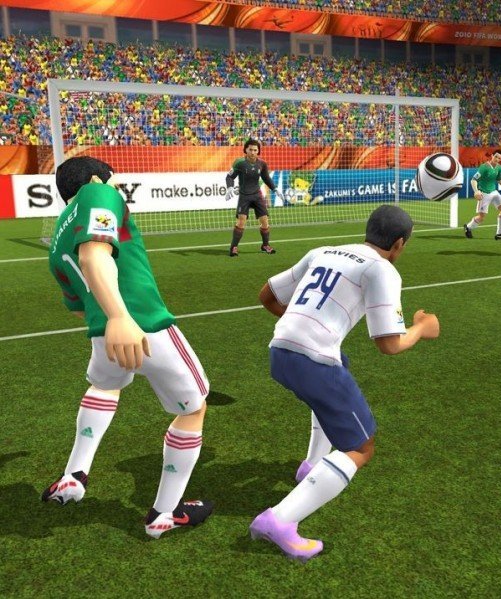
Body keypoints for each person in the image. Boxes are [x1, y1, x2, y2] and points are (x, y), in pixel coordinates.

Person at [249, 205, 440, 562]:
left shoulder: (322, 251)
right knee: (361, 447)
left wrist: (305, 325)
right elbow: (389, 344)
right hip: (312, 362)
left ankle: (312, 465)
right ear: (399, 244)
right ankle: (280, 520)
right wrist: (421, 328)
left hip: (279, 352)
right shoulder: (381, 269)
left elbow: (267, 297)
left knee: (338, 369)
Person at [42, 156, 212, 538]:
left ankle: (74, 475)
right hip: (142, 324)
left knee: (104, 387)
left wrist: (107, 320)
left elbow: (75, 303)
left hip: (101, 334)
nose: (117, 187)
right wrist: (121, 315)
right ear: (94, 178)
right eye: (113, 180)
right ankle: (164, 514)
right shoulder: (98, 193)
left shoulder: (56, 237)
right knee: (193, 409)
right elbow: (93, 253)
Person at [225, 138, 284, 257]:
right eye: (250, 149)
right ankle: (234, 247)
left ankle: (265, 245)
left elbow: (266, 178)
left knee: (265, 221)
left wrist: (275, 189)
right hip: (244, 196)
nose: (253, 152)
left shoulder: (262, 164)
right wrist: (230, 187)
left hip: (257, 195)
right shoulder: (239, 163)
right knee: (241, 222)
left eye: (255, 150)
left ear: (258, 151)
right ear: (245, 150)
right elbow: (229, 177)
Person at [464, 149, 501, 240]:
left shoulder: (499, 167)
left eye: (499, 158)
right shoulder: (484, 167)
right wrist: (476, 191)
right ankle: (468, 227)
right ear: (492, 156)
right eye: (496, 157)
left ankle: (499, 234)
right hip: (484, 193)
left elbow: (499, 179)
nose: (497, 159)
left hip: (494, 192)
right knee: (481, 217)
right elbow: (473, 180)